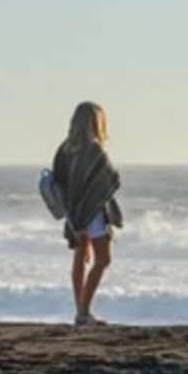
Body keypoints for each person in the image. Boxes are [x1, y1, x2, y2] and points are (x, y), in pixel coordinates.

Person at [52, 101, 123, 326]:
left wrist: (73, 214)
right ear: (96, 122)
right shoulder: (94, 149)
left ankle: (81, 312)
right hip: (92, 211)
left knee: (81, 257)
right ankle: (83, 312)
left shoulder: (65, 149)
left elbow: (59, 181)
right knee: (103, 259)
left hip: (74, 211)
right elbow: (110, 179)